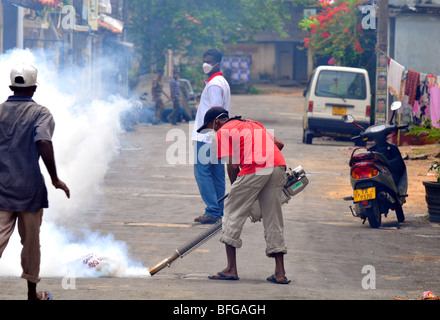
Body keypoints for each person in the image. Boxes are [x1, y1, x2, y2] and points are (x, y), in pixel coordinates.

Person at [197, 107, 290, 284]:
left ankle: (231, 269)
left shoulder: (223, 131)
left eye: (211, 127)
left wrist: (237, 190)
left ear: (217, 122)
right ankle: (280, 273)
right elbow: (279, 144)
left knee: (231, 212)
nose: (213, 132)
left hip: (256, 166)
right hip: (278, 165)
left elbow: (232, 166)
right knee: (273, 218)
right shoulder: (252, 123)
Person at [0, 63, 70, 300]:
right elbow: (43, 141)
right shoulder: (41, 113)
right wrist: (54, 178)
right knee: (31, 245)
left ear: (11, 86)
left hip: (1, 190)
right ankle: (32, 294)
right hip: (29, 191)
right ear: (34, 88)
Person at [192, 49, 231, 224]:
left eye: (210, 61)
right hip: (217, 136)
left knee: (202, 173)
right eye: (204, 60)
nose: (206, 64)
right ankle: (219, 210)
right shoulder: (221, 82)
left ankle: (213, 210)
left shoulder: (215, 84)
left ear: (218, 62)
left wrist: (211, 135)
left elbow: (216, 112)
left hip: (208, 136)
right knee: (216, 174)